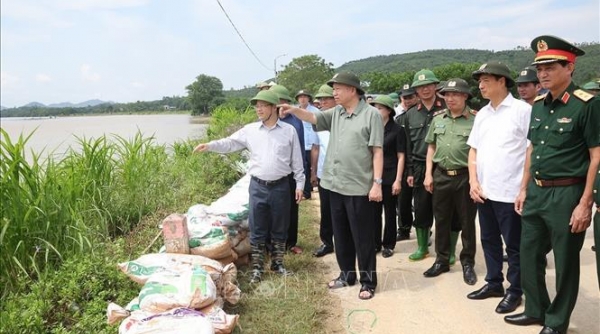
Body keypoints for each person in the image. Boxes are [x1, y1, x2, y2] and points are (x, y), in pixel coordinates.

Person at [506, 35, 600, 334]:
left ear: (569, 67)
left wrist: (585, 202)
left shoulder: (586, 105)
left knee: (565, 261)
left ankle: (557, 321)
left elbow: (596, 156)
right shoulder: (538, 104)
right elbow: (532, 150)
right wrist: (523, 188)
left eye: (550, 67)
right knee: (528, 252)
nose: (542, 73)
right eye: (540, 67)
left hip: (567, 193)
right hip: (536, 190)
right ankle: (536, 309)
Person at [279, 72, 384, 300]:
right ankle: (347, 275)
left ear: (353, 90)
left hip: (358, 186)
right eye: (333, 88)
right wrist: (294, 110)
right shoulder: (336, 113)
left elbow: (377, 151)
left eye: (338, 89)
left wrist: (377, 183)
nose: (334, 93)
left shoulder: (371, 115)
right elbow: (314, 118)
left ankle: (367, 281)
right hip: (333, 184)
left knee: (362, 237)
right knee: (341, 234)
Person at [193, 90, 305, 284]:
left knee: (280, 227)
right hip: (258, 187)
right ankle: (257, 268)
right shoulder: (250, 130)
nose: (258, 109)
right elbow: (230, 143)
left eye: (262, 105)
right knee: (258, 227)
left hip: (281, 186)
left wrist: (300, 184)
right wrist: (210, 145)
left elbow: (297, 160)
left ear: (273, 108)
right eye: (256, 106)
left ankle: (277, 264)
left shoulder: (289, 131)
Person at [466, 60, 531, 314]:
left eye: (486, 80)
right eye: (479, 81)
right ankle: (494, 283)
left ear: (502, 81)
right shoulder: (482, 114)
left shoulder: (521, 111)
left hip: (510, 192)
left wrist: (524, 188)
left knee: (514, 245)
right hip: (484, 192)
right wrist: (473, 181)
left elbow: (530, 150)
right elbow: (473, 150)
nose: (480, 85)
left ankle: (515, 290)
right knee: (489, 240)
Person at [423, 78, 478, 285]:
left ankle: (467, 262)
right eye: (446, 95)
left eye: (455, 94)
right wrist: (429, 174)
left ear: (465, 96)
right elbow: (431, 147)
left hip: (465, 176)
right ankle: (442, 259)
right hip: (441, 175)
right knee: (442, 219)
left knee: (467, 221)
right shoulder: (438, 119)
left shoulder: (476, 119)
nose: (450, 98)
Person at [401, 69, 446, 261]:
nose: (425, 89)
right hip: (419, 166)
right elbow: (408, 146)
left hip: (444, 165)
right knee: (421, 208)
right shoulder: (411, 115)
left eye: (428, 85)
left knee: (445, 209)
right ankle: (422, 247)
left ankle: (447, 251)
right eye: (420, 87)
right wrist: (410, 171)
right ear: (416, 91)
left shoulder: (448, 106)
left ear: (435, 86)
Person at [269, 84, 305, 255]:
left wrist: (302, 178)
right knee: (272, 209)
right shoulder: (266, 121)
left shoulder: (295, 120)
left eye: (281, 102)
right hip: (274, 171)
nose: (278, 105)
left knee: (292, 208)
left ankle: (291, 242)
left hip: (291, 171)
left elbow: (301, 146)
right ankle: (272, 243)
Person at [370, 95, 406, 258]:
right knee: (374, 212)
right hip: (373, 176)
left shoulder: (398, 130)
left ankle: (389, 244)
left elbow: (401, 156)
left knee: (390, 212)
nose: (376, 111)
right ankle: (375, 242)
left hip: (390, 175)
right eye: (374, 108)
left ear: (389, 111)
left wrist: (398, 180)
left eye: (379, 108)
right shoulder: (372, 128)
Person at [312, 84, 336, 258]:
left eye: (326, 98)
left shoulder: (346, 118)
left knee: (345, 210)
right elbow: (315, 148)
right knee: (326, 210)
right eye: (320, 99)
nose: (322, 102)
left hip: (344, 174)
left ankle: (348, 242)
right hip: (323, 173)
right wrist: (313, 172)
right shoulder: (318, 121)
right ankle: (327, 242)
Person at [395, 84, 418, 241]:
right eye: (405, 98)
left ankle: (424, 230)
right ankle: (403, 229)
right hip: (404, 164)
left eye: (411, 97)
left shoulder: (424, 115)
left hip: (420, 163)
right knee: (403, 201)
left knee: (422, 202)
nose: (408, 100)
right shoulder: (399, 119)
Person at [295, 89, 320, 202]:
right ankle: (306, 192)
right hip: (300, 145)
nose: (302, 99)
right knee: (303, 168)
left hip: (313, 145)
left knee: (313, 166)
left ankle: (316, 185)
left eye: (305, 96)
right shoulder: (295, 111)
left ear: (309, 98)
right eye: (300, 97)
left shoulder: (315, 111)